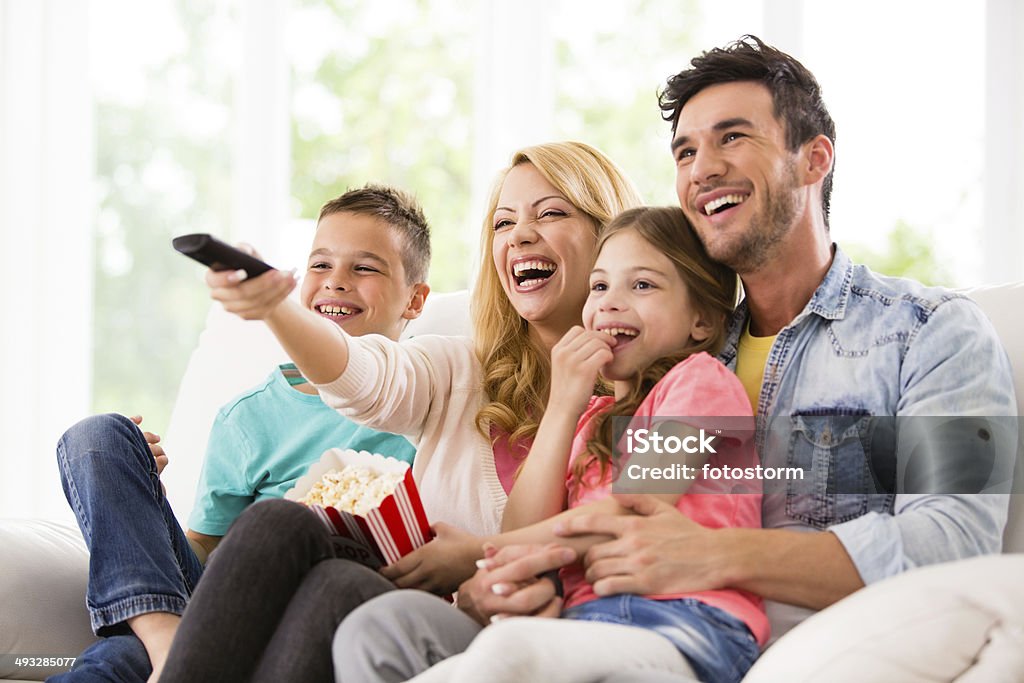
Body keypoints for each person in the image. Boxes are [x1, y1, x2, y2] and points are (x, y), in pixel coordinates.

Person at [332, 35, 1017, 682]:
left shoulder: (928, 332)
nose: (702, 168)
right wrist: (503, 573)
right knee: (382, 633)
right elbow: (578, 509)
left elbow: (951, 539)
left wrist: (718, 552)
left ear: (814, 158)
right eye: (685, 151)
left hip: (754, 637)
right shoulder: (658, 347)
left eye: (732, 138)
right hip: (594, 615)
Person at [154, 141, 643, 683]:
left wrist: (483, 554)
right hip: (440, 619)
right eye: (503, 223)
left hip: (533, 635)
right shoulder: (458, 371)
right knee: (289, 532)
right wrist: (276, 307)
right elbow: (364, 377)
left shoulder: (673, 389)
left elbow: (665, 541)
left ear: (612, 236)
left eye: (550, 213)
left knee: (342, 586)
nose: (521, 235)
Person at [52, 184, 428, 683]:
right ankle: (165, 637)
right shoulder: (249, 416)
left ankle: (172, 651)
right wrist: (141, 502)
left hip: (320, 605)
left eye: (365, 267)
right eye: (320, 265)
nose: (336, 282)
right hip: (218, 604)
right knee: (99, 437)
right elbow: (205, 545)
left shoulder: (428, 397)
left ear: (416, 299)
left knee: (115, 661)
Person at [389, 206, 766, 683]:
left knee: (508, 650)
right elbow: (526, 524)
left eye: (643, 285)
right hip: (589, 624)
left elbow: (633, 514)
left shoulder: (701, 386)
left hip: (687, 623)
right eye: (600, 286)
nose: (609, 302)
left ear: (703, 322)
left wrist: (481, 552)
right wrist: (565, 405)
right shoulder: (590, 417)